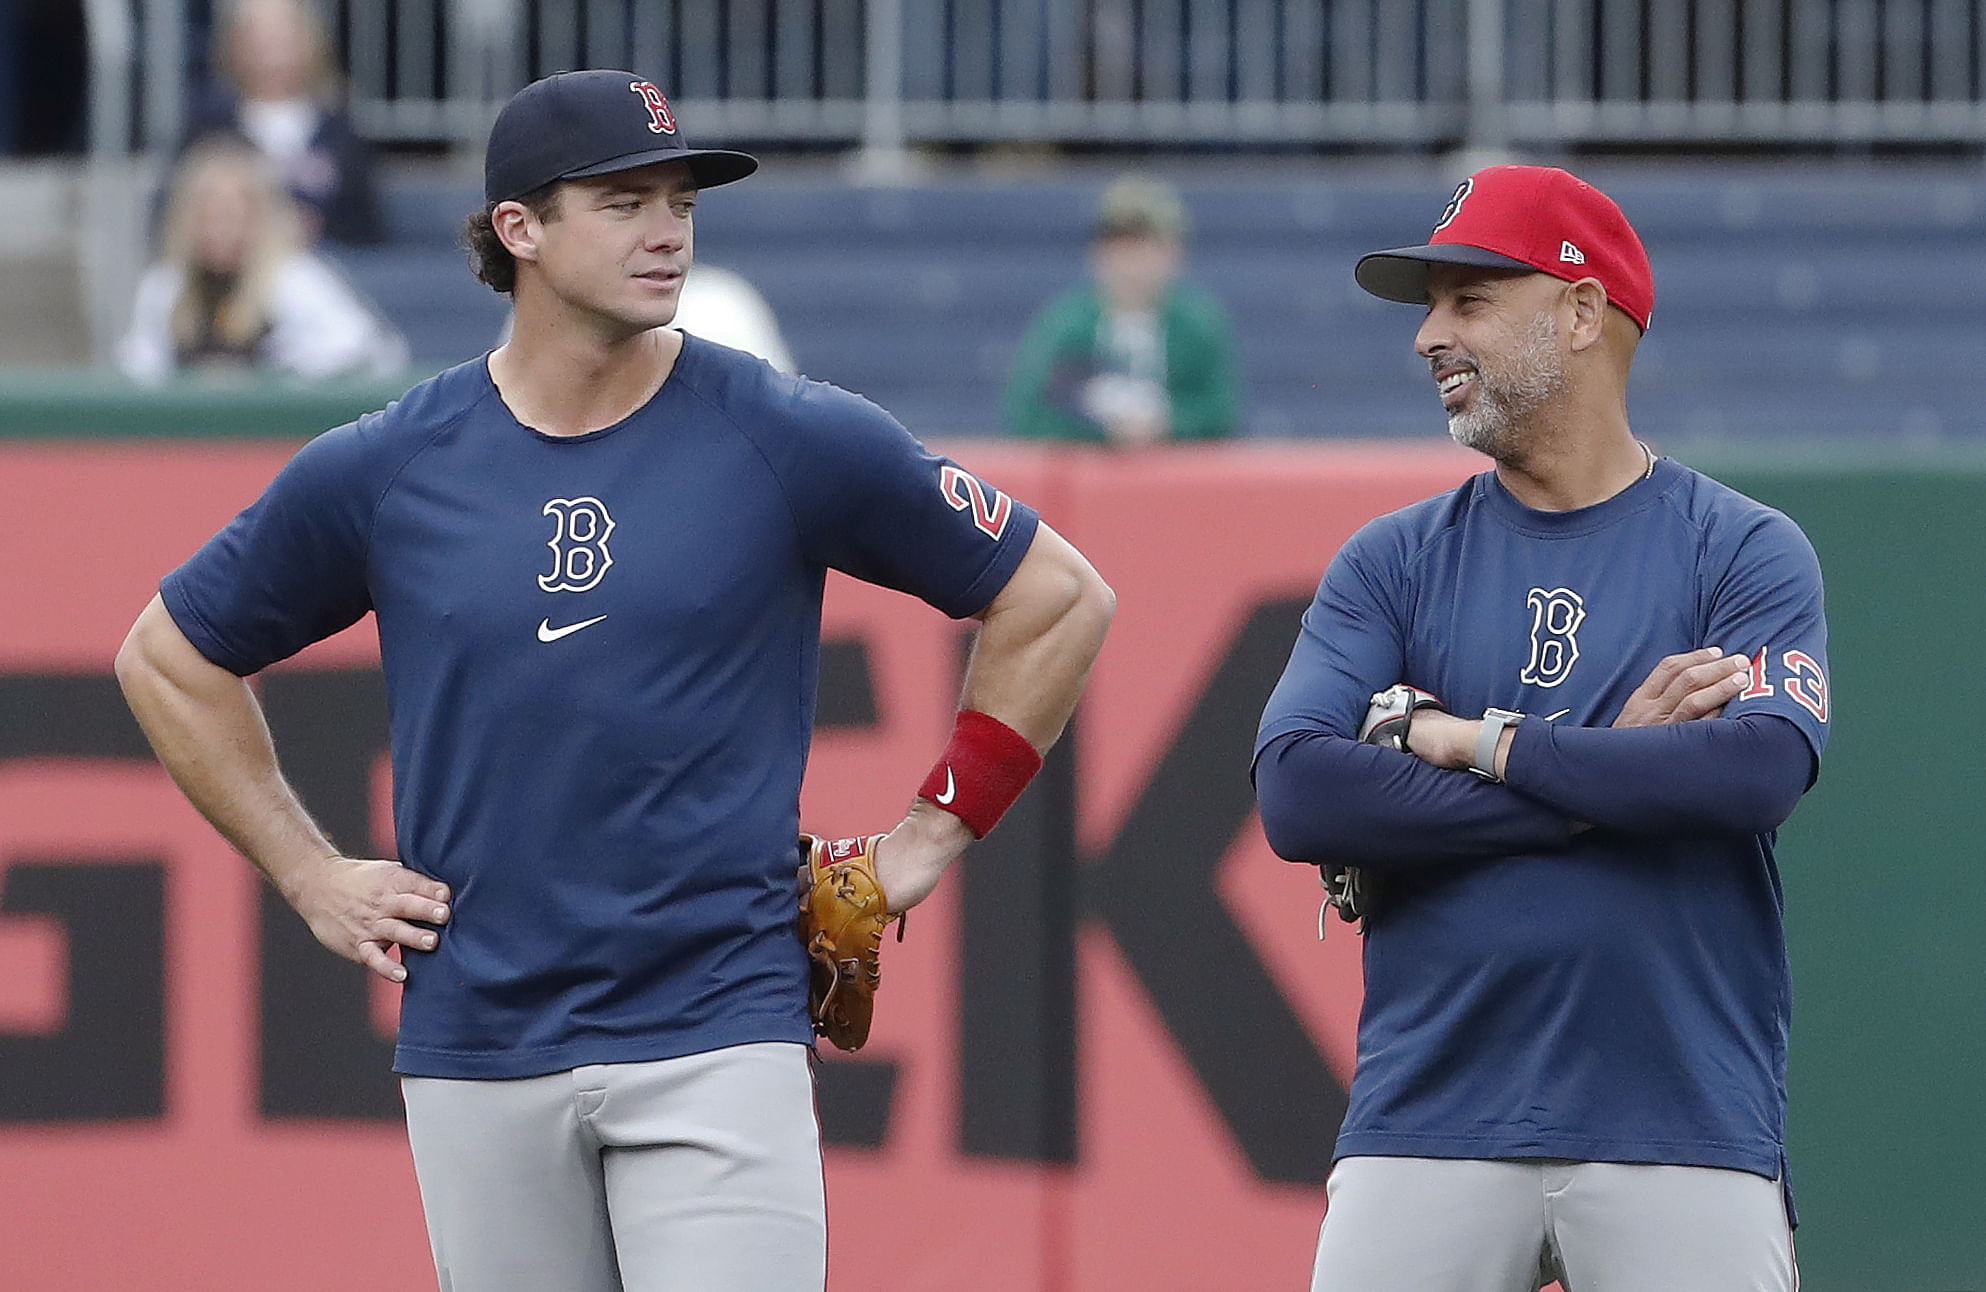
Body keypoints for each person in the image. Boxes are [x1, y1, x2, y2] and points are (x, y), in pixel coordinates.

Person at [114, 69, 1113, 1292]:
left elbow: (1058, 595)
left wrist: (926, 836)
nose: (669, 229)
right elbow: (168, 654)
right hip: (478, 1038)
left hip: (718, 1018)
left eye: (681, 199)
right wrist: (308, 868)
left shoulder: (780, 429)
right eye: (624, 200)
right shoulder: (393, 464)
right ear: (518, 230)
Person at [1253, 164, 1829, 1292]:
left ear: (1579, 313)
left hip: (1685, 1120)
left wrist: (1479, 740)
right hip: (1429, 1115)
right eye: (1430, 305)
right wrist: (1613, 767)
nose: (1428, 335)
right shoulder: (1393, 558)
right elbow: (1300, 793)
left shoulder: (1744, 549)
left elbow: (1754, 773)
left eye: (1468, 299)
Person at [118, 135, 407, 383]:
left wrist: (283, 378)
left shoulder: (297, 279)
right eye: (206, 216)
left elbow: (367, 352)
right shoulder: (164, 285)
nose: (218, 230)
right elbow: (138, 369)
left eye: (232, 215)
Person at [1003, 174, 1242, 444]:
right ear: (1097, 253)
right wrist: (1104, 431)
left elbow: (1220, 413)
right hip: (1090, 477)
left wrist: (1166, 425)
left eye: (1147, 247)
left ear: (1174, 254)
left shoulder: (1197, 326)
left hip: (1176, 479)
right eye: (1121, 247)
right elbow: (1030, 414)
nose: (1133, 264)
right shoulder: (1067, 325)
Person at [183, 0, 384, 244]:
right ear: (233, 41)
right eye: (257, 33)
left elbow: (367, 226)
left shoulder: (341, 131)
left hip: (323, 266)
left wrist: (316, 226)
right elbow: (178, 216)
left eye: (283, 32)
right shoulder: (210, 128)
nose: (271, 47)